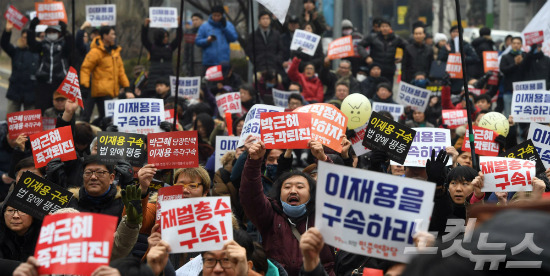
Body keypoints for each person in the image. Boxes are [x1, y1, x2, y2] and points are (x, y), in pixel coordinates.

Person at [240, 140, 335, 276]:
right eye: (287, 187)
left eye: (300, 187)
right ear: (279, 194)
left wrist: (322, 159)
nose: (293, 191)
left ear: (311, 193)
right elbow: (250, 195)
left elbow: (338, 192)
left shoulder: (324, 213)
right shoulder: (270, 215)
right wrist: (254, 161)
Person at [80, 26, 130, 119]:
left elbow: (121, 72)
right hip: (94, 90)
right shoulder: (96, 52)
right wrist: (85, 86)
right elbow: (85, 68)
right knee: (85, 117)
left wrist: (126, 87)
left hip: (108, 92)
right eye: (112, 34)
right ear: (105, 36)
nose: (114, 36)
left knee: (107, 119)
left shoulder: (115, 52)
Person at [28, 18, 71, 113]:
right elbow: (31, 44)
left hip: (60, 83)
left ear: (59, 33)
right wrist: (32, 28)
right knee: (41, 111)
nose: (52, 34)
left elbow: (71, 46)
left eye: (54, 31)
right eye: (50, 32)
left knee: (60, 112)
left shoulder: (64, 46)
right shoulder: (42, 45)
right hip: (43, 84)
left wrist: (65, 30)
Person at [1, 21, 38, 114]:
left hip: (31, 93)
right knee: (10, 121)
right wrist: (7, 31)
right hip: (15, 91)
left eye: (28, 37)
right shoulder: (16, 51)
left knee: (30, 123)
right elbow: (4, 44)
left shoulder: (38, 52)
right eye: (24, 37)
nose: (26, 40)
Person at [141, 17, 182, 98]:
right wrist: (145, 26)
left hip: (168, 74)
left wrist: (179, 25)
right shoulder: (152, 47)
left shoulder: (169, 47)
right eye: (164, 37)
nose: (166, 39)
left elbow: (178, 39)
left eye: (167, 36)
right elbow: (144, 39)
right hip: (154, 76)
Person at [358, 19, 408, 85]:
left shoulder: (396, 39)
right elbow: (360, 46)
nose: (385, 28)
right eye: (383, 26)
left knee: (387, 90)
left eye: (387, 26)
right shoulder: (373, 37)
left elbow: (408, 47)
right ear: (379, 28)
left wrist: (402, 58)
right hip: (375, 69)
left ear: (390, 28)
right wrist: (366, 57)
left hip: (389, 70)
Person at [195, 5, 239, 72]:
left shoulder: (228, 25)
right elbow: (197, 41)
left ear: (222, 15)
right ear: (211, 15)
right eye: (214, 15)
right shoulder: (204, 26)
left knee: (223, 82)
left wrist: (225, 28)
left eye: (218, 16)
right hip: (209, 62)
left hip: (224, 62)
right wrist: (207, 40)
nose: (216, 18)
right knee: (210, 82)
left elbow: (233, 38)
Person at [437, 26, 479, 94]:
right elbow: (440, 59)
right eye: (454, 32)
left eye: (458, 32)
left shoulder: (466, 45)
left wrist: (462, 58)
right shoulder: (447, 46)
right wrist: (450, 54)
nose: (456, 34)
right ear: (450, 33)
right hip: (449, 77)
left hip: (462, 77)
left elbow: (475, 58)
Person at [499, 37, 526, 117]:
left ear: (521, 45)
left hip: (522, 91)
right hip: (509, 90)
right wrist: (515, 64)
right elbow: (503, 69)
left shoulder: (525, 56)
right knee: (509, 115)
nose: (516, 45)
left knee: (522, 116)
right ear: (511, 44)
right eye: (514, 43)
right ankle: (510, 130)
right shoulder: (505, 57)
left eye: (518, 43)